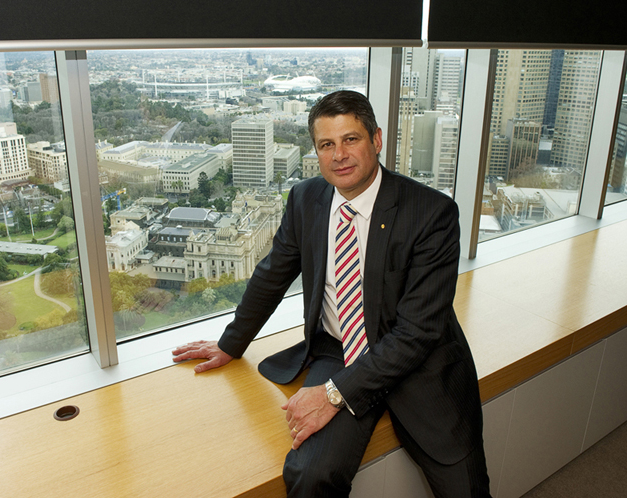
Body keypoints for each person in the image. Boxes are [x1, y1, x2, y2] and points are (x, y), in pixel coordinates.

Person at [172, 90, 491, 498]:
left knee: (467, 491)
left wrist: (335, 394)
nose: (339, 154)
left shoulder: (432, 213)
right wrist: (231, 343)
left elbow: (417, 333)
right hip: (338, 352)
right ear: (316, 152)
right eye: (326, 144)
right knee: (311, 474)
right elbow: (271, 275)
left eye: (350, 139)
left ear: (376, 140)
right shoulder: (306, 199)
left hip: (420, 366)